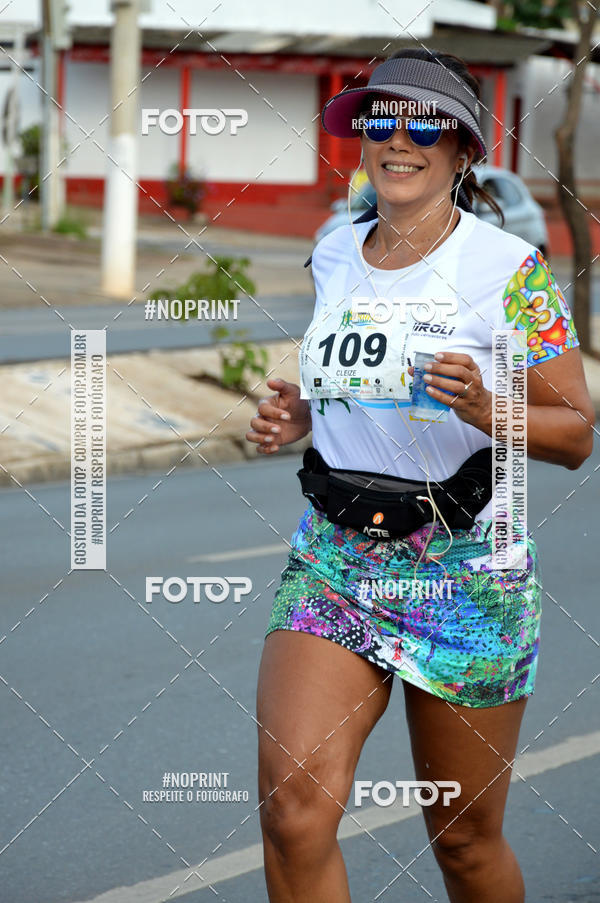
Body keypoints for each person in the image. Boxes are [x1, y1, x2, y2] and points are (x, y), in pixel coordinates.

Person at [246, 48, 595, 903]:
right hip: (336, 559)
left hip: (468, 574)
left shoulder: (506, 271)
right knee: (293, 813)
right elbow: (352, 391)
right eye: (380, 120)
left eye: (425, 124)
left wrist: (483, 408)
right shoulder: (333, 254)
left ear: (463, 150)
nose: (398, 140)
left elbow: (576, 432)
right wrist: (303, 416)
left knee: (465, 842)